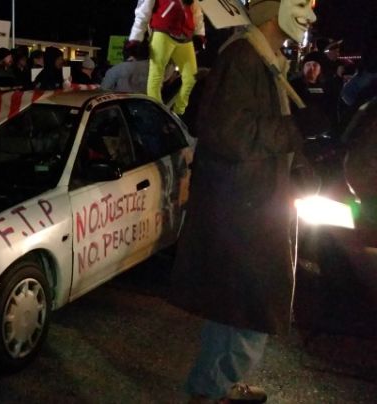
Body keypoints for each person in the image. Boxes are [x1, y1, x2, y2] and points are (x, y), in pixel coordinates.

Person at [170, 1, 316, 403]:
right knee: (252, 311)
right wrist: (293, 129)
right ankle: (213, 388)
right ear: (275, 10)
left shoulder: (260, 57)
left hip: (253, 204)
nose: (311, 15)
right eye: (302, 3)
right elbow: (228, 133)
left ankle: (211, 385)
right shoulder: (243, 57)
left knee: (235, 310)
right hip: (245, 210)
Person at [128, 0, 204, 115]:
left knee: (191, 77)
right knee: (156, 75)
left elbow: (197, 13)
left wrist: (200, 35)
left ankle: (178, 112)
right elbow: (143, 11)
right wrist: (136, 38)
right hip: (163, 32)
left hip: (185, 37)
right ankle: (157, 112)